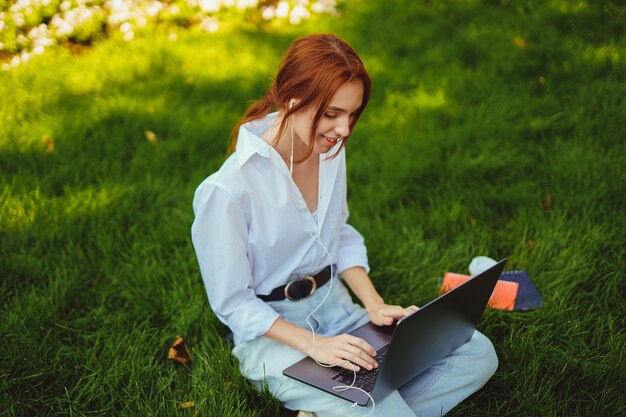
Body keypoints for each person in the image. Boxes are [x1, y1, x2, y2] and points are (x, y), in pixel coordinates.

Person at [191, 33, 498, 417]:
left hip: (337, 308)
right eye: (333, 113)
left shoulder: (329, 150)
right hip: (273, 335)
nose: (344, 130)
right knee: (379, 406)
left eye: (352, 115)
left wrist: (374, 305)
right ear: (292, 97)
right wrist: (314, 345)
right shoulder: (226, 191)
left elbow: (341, 233)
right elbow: (233, 304)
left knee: (477, 353)